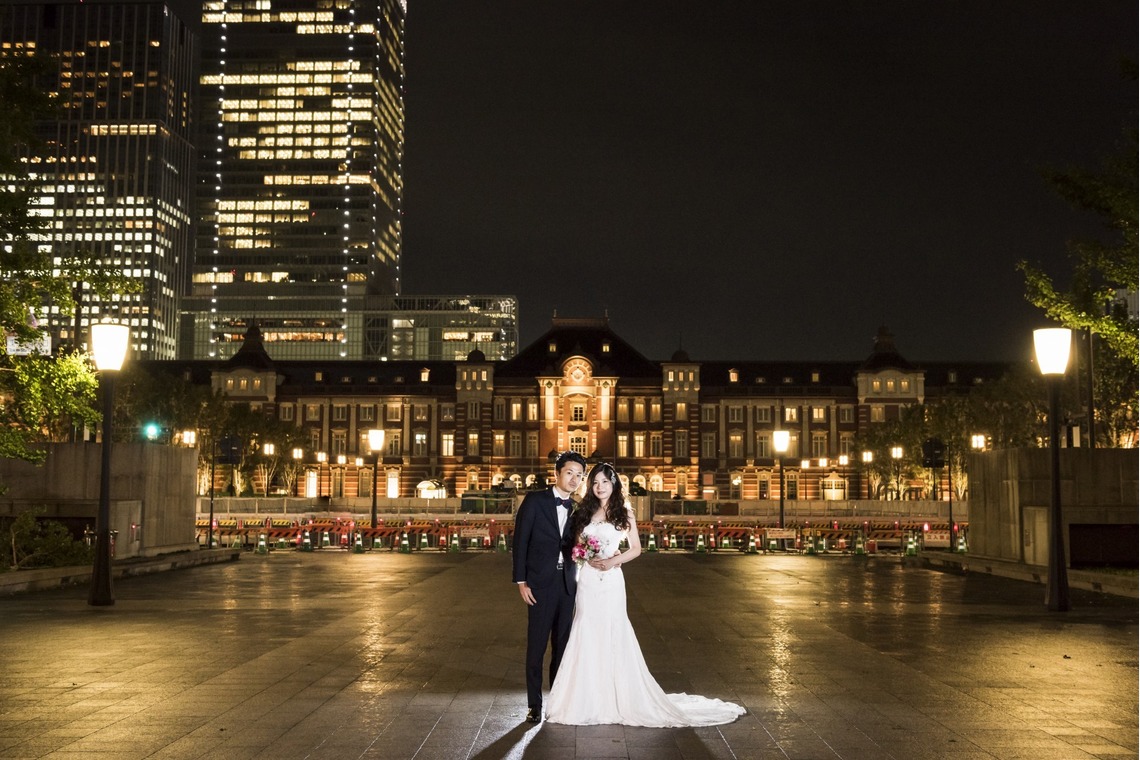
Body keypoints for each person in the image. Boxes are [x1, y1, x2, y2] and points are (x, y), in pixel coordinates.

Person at [545, 463, 745, 727]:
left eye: (605, 481)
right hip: (590, 581)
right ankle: (586, 697)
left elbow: (636, 548)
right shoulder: (583, 512)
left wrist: (615, 560)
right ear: (590, 486)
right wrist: (582, 554)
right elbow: (575, 545)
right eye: (595, 482)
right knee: (586, 629)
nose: (600, 487)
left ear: (614, 484)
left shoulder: (623, 512)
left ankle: (620, 697)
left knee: (613, 630)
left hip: (611, 580)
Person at [512, 450, 587, 723]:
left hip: (568, 585)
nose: (574, 479)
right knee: (536, 646)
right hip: (539, 585)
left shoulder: (579, 509)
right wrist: (521, 581)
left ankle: (556, 701)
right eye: (569, 473)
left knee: (562, 646)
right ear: (556, 473)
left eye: (579, 475)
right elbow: (520, 543)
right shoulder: (534, 501)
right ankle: (534, 705)